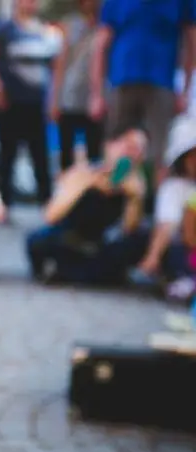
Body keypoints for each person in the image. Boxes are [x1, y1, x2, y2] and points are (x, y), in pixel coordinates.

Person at [90, 0, 196, 188]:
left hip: (161, 82)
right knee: (116, 148)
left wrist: (186, 90)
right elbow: (101, 44)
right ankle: (113, 202)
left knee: (160, 152)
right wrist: (96, 93)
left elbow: (191, 41)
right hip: (122, 80)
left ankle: (156, 208)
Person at [26, 127, 149, 286]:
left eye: (139, 150)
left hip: (104, 246)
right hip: (73, 240)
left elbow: (129, 230)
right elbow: (50, 216)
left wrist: (135, 199)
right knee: (37, 241)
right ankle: (89, 275)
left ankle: (76, 274)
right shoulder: (84, 172)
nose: (132, 154)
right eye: (128, 146)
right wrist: (83, 184)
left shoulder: (136, 184)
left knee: (139, 240)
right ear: (109, 146)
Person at [0, 0, 61, 210]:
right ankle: (2, 203)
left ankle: (48, 202)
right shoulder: (2, 28)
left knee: (40, 153)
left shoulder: (46, 31)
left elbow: (56, 66)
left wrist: (54, 98)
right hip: (10, 103)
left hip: (36, 104)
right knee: (7, 152)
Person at [130, 117, 196, 286]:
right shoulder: (175, 187)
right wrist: (153, 258)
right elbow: (168, 224)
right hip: (184, 250)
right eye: (192, 156)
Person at [48, 0, 103, 171]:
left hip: (97, 98)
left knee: (95, 154)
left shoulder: (107, 25)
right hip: (70, 96)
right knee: (66, 154)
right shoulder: (70, 25)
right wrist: (54, 99)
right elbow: (60, 64)